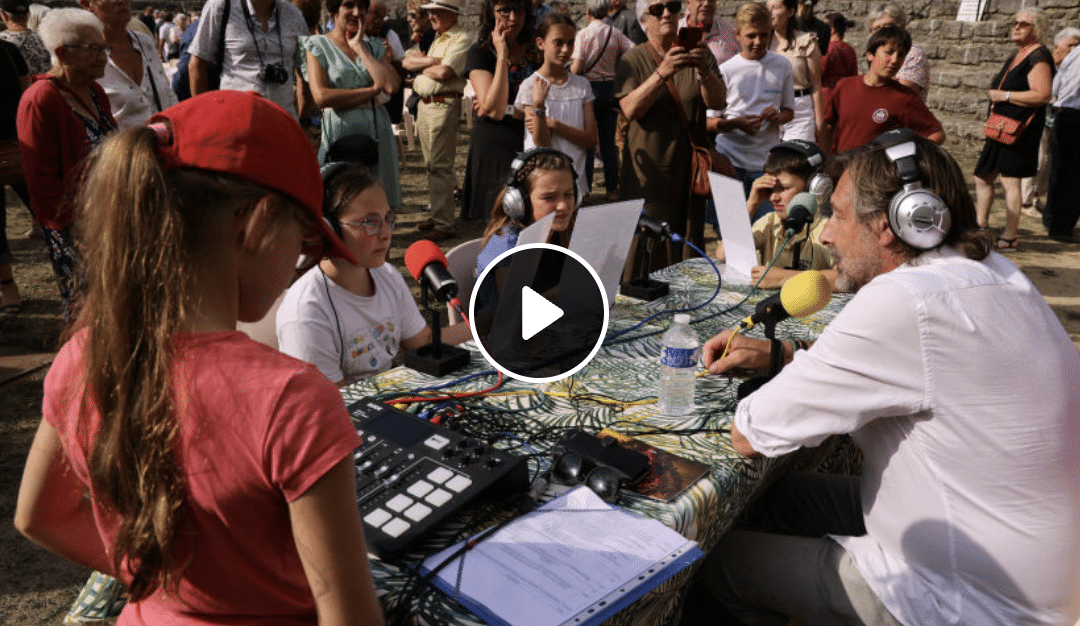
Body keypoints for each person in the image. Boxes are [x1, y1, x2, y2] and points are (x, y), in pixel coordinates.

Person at [14, 90, 385, 625]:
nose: (301, 264)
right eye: (303, 241)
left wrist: (176, 587)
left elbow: (40, 517)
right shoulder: (294, 398)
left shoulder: (82, 356)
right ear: (256, 224)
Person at [683, 131, 1080, 626]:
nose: (826, 234)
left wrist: (799, 369)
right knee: (779, 498)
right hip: (1019, 562)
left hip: (970, 601)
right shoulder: (996, 272)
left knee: (712, 565)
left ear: (895, 224)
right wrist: (785, 354)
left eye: (841, 216)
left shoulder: (905, 299)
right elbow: (919, 371)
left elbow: (752, 433)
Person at [278, 163, 469, 385]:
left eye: (387, 219)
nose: (386, 233)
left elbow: (423, 343)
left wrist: (495, 321)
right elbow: (332, 403)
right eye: (370, 222)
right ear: (328, 229)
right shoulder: (307, 313)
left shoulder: (386, 275)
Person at [17, 8, 118, 321]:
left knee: (118, 305)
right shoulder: (41, 99)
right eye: (94, 49)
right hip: (75, 230)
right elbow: (42, 182)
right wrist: (76, 231)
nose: (103, 57)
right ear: (61, 53)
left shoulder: (94, 91)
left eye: (104, 48)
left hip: (110, 219)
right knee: (89, 312)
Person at [616, 0, 725, 270]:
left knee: (686, 244)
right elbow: (629, 108)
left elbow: (719, 101)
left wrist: (704, 71)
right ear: (644, 20)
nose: (666, 13)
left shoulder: (698, 53)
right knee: (645, 247)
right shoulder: (634, 59)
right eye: (656, 9)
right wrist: (661, 73)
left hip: (688, 173)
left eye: (672, 6)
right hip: (649, 177)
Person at [302, 0, 402, 209]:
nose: (357, 12)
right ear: (333, 12)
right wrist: (371, 90)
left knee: (378, 203)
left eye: (362, 7)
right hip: (340, 133)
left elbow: (391, 85)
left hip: (377, 132)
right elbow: (321, 96)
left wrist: (360, 48)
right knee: (340, 201)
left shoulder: (373, 46)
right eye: (349, 5)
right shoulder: (317, 46)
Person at [973, 7, 1053, 252]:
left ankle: (1009, 236)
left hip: (1018, 131)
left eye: (1024, 24)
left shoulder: (1038, 56)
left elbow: (1042, 94)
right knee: (983, 175)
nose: (1016, 26)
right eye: (1015, 22)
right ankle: (981, 226)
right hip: (1001, 128)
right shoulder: (1020, 54)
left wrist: (1004, 95)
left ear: (1037, 29)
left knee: (1010, 181)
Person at [710, 1, 793, 219]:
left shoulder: (782, 66)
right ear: (737, 35)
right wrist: (735, 124)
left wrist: (777, 117)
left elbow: (789, 111)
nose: (758, 42)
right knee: (732, 229)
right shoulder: (726, 70)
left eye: (765, 35)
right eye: (751, 36)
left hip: (766, 164)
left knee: (766, 227)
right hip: (729, 161)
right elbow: (710, 121)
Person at [715, 140, 834, 289]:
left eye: (783, 188)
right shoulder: (769, 222)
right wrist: (752, 202)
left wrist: (784, 278)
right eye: (770, 190)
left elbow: (846, 278)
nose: (773, 198)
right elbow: (723, 255)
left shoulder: (827, 230)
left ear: (813, 187)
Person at [460, 0, 536, 224]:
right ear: (490, 13)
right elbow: (495, 110)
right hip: (496, 143)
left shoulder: (538, 48)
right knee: (499, 223)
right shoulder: (480, 52)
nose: (513, 18)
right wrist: (502, 55)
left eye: (519, 9)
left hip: (534, 137)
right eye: (504, 10)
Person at [401, 0, 470, 242]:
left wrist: (422, 67)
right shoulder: (437, 38)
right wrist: (432, 62)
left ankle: (444, 223)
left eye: (435, 11)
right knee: (432, 164)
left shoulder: (460, 38)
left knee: (439, 164)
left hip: (443, 104)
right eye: (429, 11)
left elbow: (445, 73)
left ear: (450, 13)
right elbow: (406, 61)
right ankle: (439, 213)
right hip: (427, 104)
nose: (430, 16)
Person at [820, 25, 944, 157]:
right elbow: (828, 126)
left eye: (901, 55)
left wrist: (905, 156)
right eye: (889, 52)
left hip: (876, 175)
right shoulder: (844, 86)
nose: (895, 60)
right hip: (841, 171)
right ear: (870, 55)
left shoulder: (904, 97)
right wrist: (825, 161)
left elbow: (937, 134)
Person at [518, 14, 596, 198]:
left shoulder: (581, 85)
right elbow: (542, 144)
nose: (565, 49)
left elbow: (591, 139)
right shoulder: (530, 86)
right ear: (540, 43)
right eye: (558, 42)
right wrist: (538, 105)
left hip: (575, 178)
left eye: (571, 42)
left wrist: (552, 123)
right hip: (544, 181)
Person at [187, 0, 308, 117]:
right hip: (235, 122)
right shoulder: (221, 6)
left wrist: (304, 119)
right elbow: (197, 64)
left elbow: (306, 72)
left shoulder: (293, 14)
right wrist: (205, 117)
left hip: (282, 122)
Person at [476, 148, 577, 276]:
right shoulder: (506, 248)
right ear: (520, 201)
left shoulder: (558, 235)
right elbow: (513, 296)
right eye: (549, 197)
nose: (562, 206)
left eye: (568, 194)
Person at [78, 0, 177, 129]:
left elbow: (169, 96)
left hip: (167, 144)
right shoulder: (83, 56)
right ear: (87, 4)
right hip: (120, 147)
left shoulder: (145, 42)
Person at [571, 0, 633, 200]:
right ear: (606, 11)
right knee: (608, 142)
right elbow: (633, 51)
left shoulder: (583, 35)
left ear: (588, 11)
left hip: (589, 87)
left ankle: (586, 189)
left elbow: (577, 68)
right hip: (610, 87)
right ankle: (612, 189)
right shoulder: (614, 33)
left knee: (588, 141)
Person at [1021, 26, 1079, 218]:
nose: (1073, 50)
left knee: (1048, 162)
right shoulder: (1045, 62)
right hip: (1041, 116)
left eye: (1077, 46)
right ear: (1058, 45)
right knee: (1038, 159)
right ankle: (1026, 200)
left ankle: (1037, 197)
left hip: (1057, 120)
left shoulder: (1070, 66)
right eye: (1070, 45)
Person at [1043, 35, 1080, 242]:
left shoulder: (1073, 56)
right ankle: (1061, 226)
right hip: (1073, 114)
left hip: (1063, 112)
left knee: (1060, 170)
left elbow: (1056, 87)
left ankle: (1054, 221)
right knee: (1071, 173)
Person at [767, 0, 821, 143]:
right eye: (767, 7)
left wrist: (819, 124)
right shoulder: (761, 43)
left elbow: (816, 87)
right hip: (769, 109)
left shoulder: (806, 41)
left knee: (796, 159)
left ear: (790, 12)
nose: (769, 12)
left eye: (775, 8)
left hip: (799, 111)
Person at [1, 39, 28, 315]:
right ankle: (7, 286)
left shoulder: (8, 51)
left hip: (19, 146)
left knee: (50, 213)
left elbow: (25, 92)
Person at [867, 2, 929, 102]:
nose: (882, 32)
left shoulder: (913, 54)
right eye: (877, 28)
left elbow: (903, 94)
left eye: (888, 26)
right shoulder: (874, 54)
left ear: (902, 26)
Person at [1, 0, 51, 77]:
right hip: (44, 87)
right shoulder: (46, 38)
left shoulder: (2, 41)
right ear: (29, 14)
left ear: (4, 15)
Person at [820, 11, 856, 106]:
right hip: (846, 97)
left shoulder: (828, 48)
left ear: (831, 30)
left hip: (827, 98)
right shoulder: (850, 49)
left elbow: (818, 73)